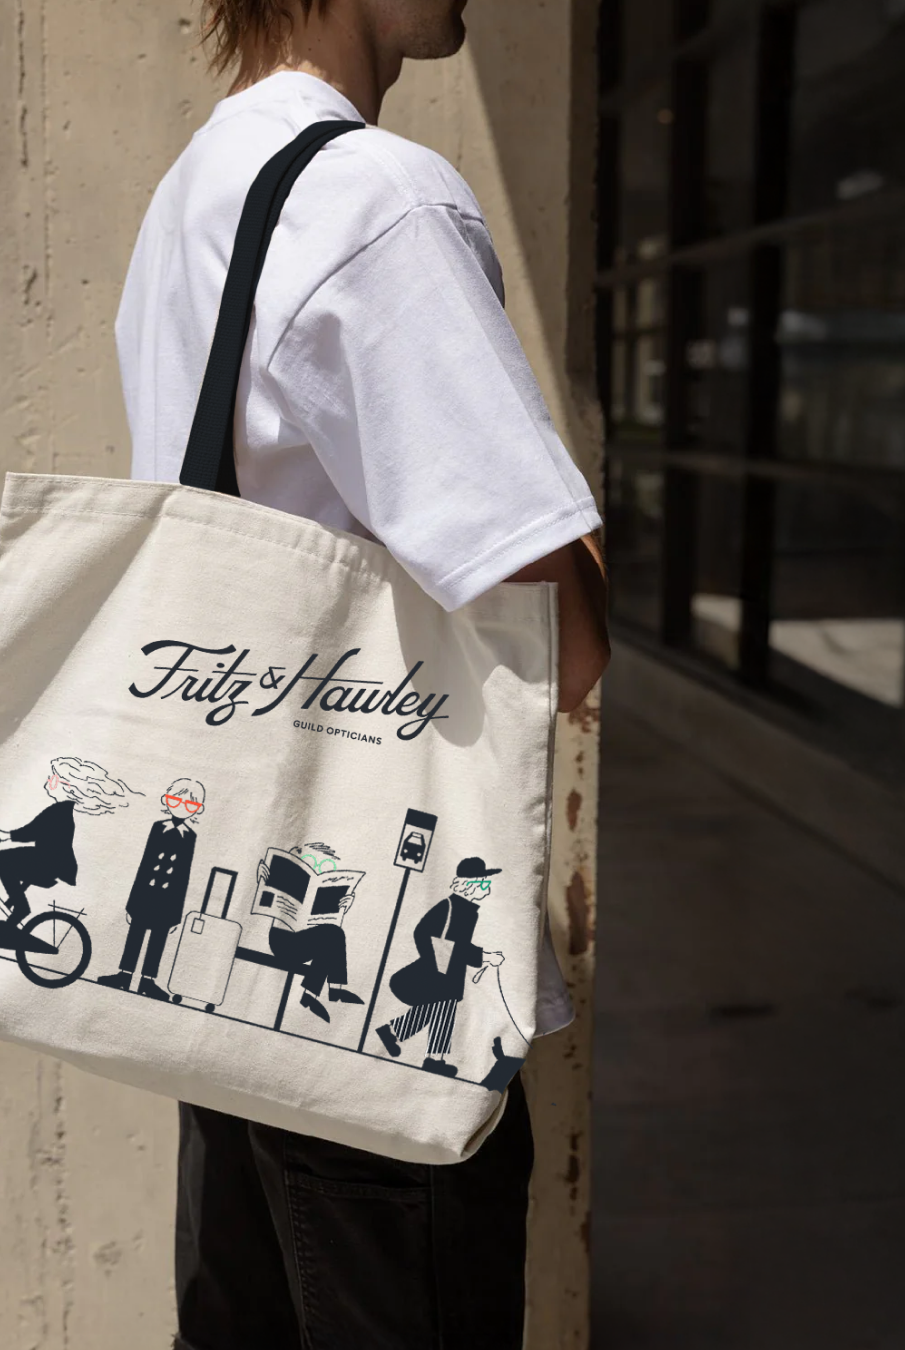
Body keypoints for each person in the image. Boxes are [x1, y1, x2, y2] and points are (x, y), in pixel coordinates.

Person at [115, 0, 611, 1343]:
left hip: (223, 932)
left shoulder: (194, 193)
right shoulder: (376, 200)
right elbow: (560, 632)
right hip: (370, 961)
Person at [376, 856, 505, 1076]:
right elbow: (424, 933)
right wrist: (481, 957)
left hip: (449, 974)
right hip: (439, 973)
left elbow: (456, 945)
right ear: (468, 884)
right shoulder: (451, 907)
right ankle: (430, 1056)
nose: (487, 888)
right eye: (483, 884)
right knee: (440, 1011)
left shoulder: (466, 909)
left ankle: (397, 1035)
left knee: (438, 1011)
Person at [97, 778, 207, 1001]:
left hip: (168, 901)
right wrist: (132, 903)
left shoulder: (190, 836)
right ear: (166, 800)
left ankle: (147, 981)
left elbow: (183, 876)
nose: (182, 806)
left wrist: (176, 913)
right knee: (135, 935)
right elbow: (145, 865)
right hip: (145, 895)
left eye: (190, 803)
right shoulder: (158, 828)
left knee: (158, 941)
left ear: (197, 808)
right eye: (176, 800)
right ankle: (125, 975)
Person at [0, 758, 82, 952]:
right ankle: (17, 901)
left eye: (54, 779)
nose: (48, 783)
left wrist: (6, 835)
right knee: (4, 859)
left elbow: (33, 831)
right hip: (46, 859)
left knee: (0, 858)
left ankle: (20, 907)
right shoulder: (60, 809)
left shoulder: (60, 811)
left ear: (66, 786)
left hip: (49, 864)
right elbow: (35, 830)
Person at [258, 841, 364, 1022]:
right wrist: (262, 879)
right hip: (282, 941)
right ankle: (331, 991)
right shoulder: (286, 875)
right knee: (334, 935)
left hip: (304, 943)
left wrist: (343, 907)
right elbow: (264, 898)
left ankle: (312, 995)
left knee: (331, 939)